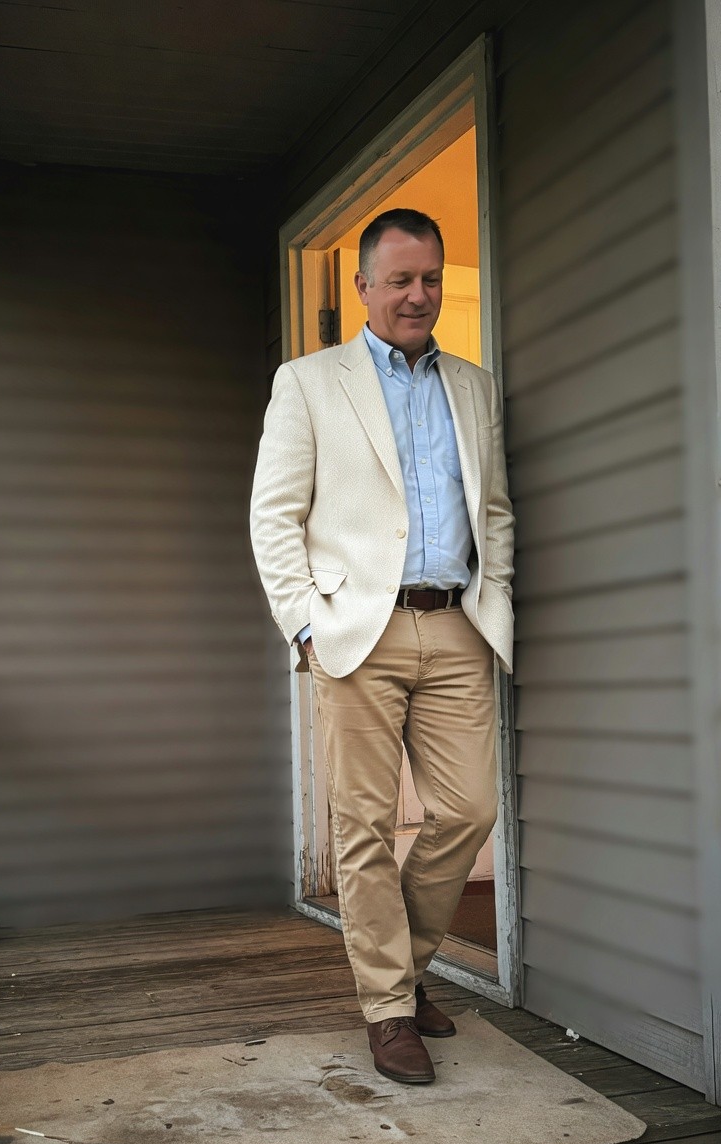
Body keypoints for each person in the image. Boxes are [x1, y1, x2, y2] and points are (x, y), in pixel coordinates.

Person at [250, 208, 514, 1085]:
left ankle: (402, 968)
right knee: (361, 826)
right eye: (399, 279)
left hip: (455, 624)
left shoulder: (473, 387)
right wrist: (306, 624)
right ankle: (389, 1008)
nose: (418, 294)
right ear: (362, 286)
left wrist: (496, 594)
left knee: (469, 810)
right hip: (355, 631)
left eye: (431, 277)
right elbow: (273, 518)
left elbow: (496, 512)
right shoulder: (309, 381)